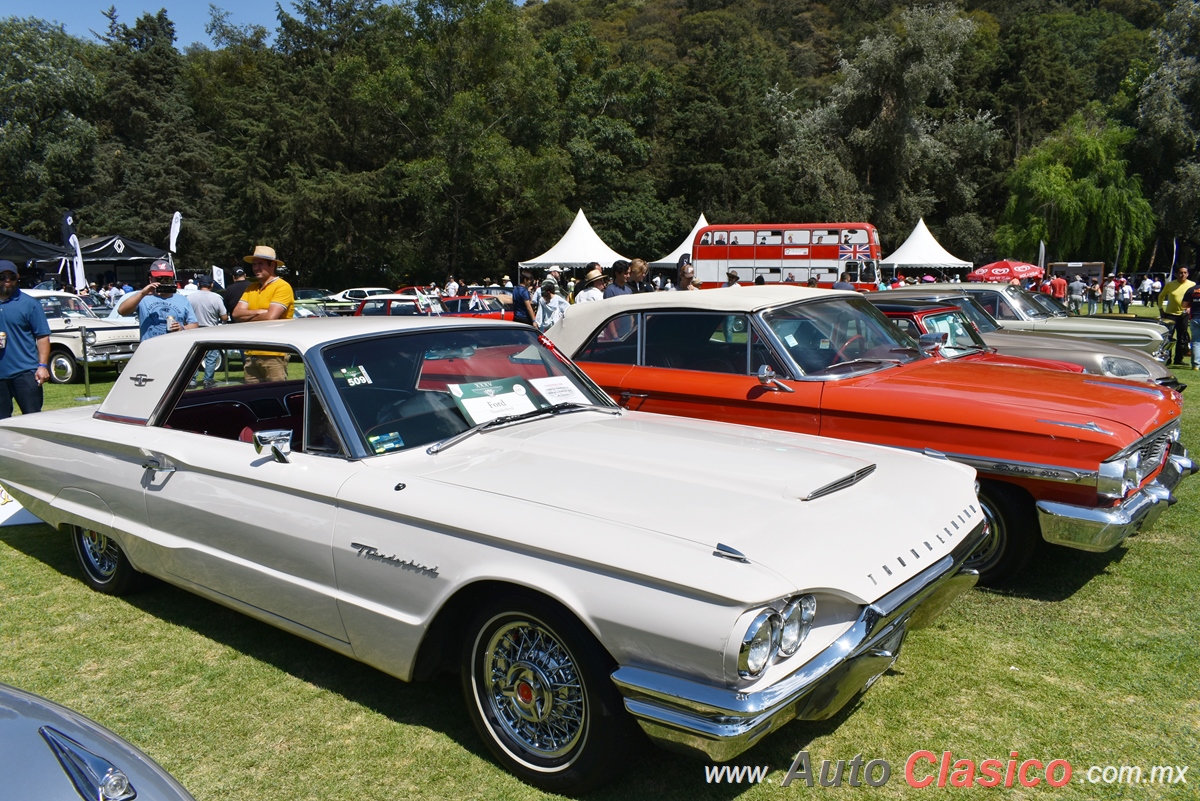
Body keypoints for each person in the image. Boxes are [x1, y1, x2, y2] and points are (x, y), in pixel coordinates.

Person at [234, 245, 295, 382]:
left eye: (260, 264)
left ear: (272, 265)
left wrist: (248, 316)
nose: (256, 268)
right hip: (251, 354)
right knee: (253, 400)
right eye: (254, 264)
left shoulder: (282, 287)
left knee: (277, 397)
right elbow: (236, 313)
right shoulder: (251, 288)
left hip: (274, 354)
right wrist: (259, 312)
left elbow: (271, 317)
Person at [0, 261, 50, 419]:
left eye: (11, 277)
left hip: (25, 373)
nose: (7, 280)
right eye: (2, 276)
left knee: (33, 419)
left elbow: (42, 336)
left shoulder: (30, 304)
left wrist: (42, 366)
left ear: (17, 278)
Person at [118, 269, 199, 341]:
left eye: (167, 279)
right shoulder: (142, 297)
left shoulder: (182, 299)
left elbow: (194, 324)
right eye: (159, 279)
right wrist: (142, 293)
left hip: (175, 347)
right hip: (150, 349)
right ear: (151, 279)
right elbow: (122, 311)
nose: (164, 282)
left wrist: (182, 328)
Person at [189, 275, 229, 388]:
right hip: (210, 330)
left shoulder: (189, 297)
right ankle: (208, 380)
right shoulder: (216, 298)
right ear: (211, 285)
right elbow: (224, 317)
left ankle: (192, 380)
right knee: (211, 357)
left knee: (194, 357)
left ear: (198, 284)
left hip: (194, 330)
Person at [1160, 267, 1195, 366]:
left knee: (1182, 337)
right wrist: (1161, 309)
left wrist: (1190, 308)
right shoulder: (1170, 284)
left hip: (1184, 315)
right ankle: (1167, 359)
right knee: (1168, 338)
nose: (1182, 275)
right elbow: (1161, 296)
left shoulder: (1192, 285)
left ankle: (1179, 359)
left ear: (1188, 274)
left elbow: (1195, 299)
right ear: (1176, 274)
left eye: (1185, 272)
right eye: (1180, 273)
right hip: (1170, 314)